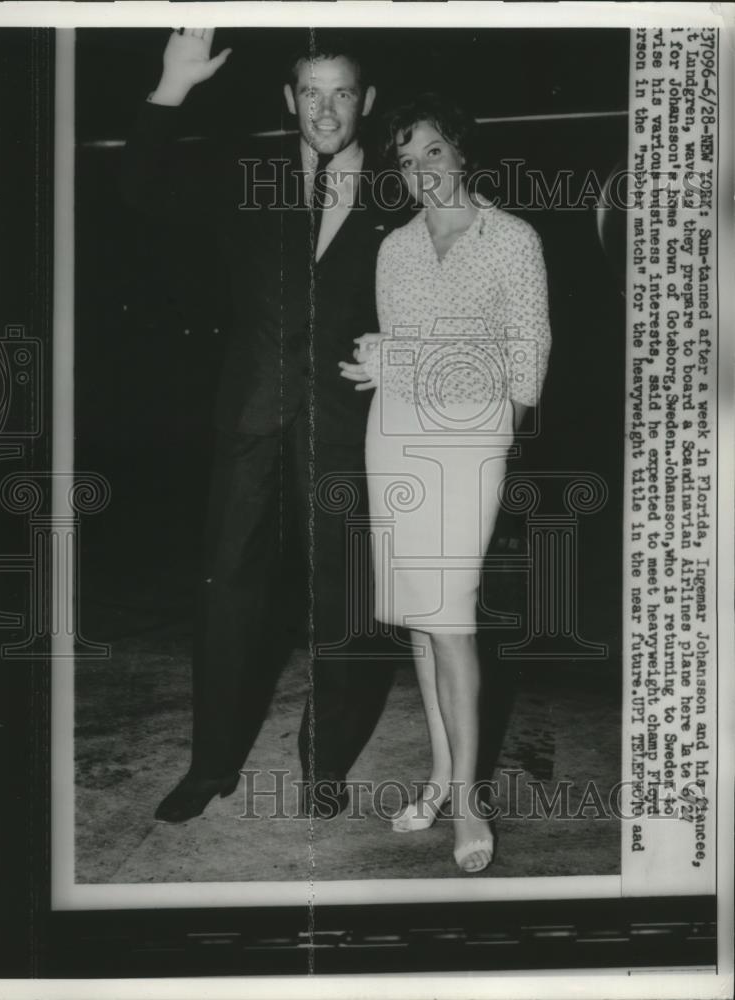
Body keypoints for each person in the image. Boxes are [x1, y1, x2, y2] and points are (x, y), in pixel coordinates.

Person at [122, 28, 407, 823]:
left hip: (350, 426)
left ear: (367, 102)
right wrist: (171, 87)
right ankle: (209, 766)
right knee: (228, 598)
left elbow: (457, 293)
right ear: (290, 101)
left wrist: (408, 355)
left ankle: (326, 764)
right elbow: (141, 186)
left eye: (342, 92)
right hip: (250, 418)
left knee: (347, 602)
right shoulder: (248, 178)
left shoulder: (400, 192)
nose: (326, 109)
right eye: (311, 92)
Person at [339, 95, 551, 872]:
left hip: (472, 440)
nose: (421, 170)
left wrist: (412, 369)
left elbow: (524, 365)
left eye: (433, 151)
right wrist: (380, 359)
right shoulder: (393, 248)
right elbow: (398, 348)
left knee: (451, 615)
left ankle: (467, 802)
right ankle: (440, 775)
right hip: (395, 434)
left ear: (461, 154)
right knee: (422, 623)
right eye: (405, 159)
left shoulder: (513, 240)